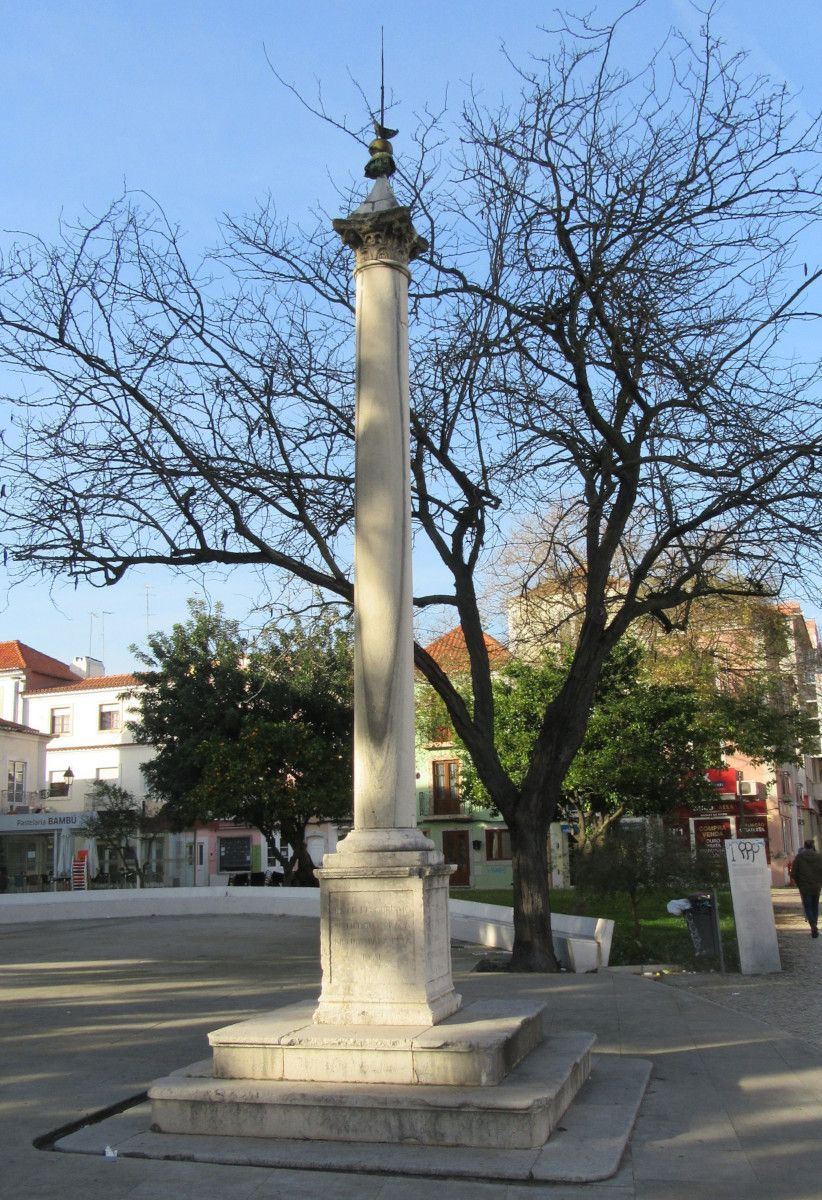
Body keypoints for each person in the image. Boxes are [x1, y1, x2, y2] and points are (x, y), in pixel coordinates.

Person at [789, 840, 822, 938]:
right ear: (813, 846)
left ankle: (812, 925)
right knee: (815, 906)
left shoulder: (799, 857)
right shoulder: (819, 857)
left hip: (804, 887)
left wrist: (799, 883)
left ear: (805, 846)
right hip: (816, 886)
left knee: (807, 907)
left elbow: (793, 873)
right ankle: (814, 925)